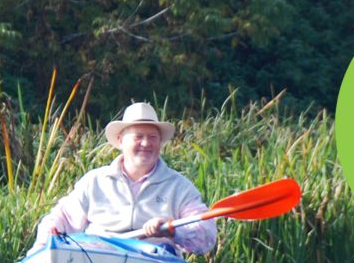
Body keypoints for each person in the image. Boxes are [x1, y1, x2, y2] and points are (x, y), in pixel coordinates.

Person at [32, 102, 216, 254]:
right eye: (138, 137)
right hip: (99, 256)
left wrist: (172, 229)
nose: (146, 143)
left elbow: (206, 236)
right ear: (120, 141)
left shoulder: (180, 187)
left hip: (155, 260)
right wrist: (41, 248)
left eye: (152, 137)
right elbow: (61, 217)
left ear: (160, 142)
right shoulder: (94, 181)